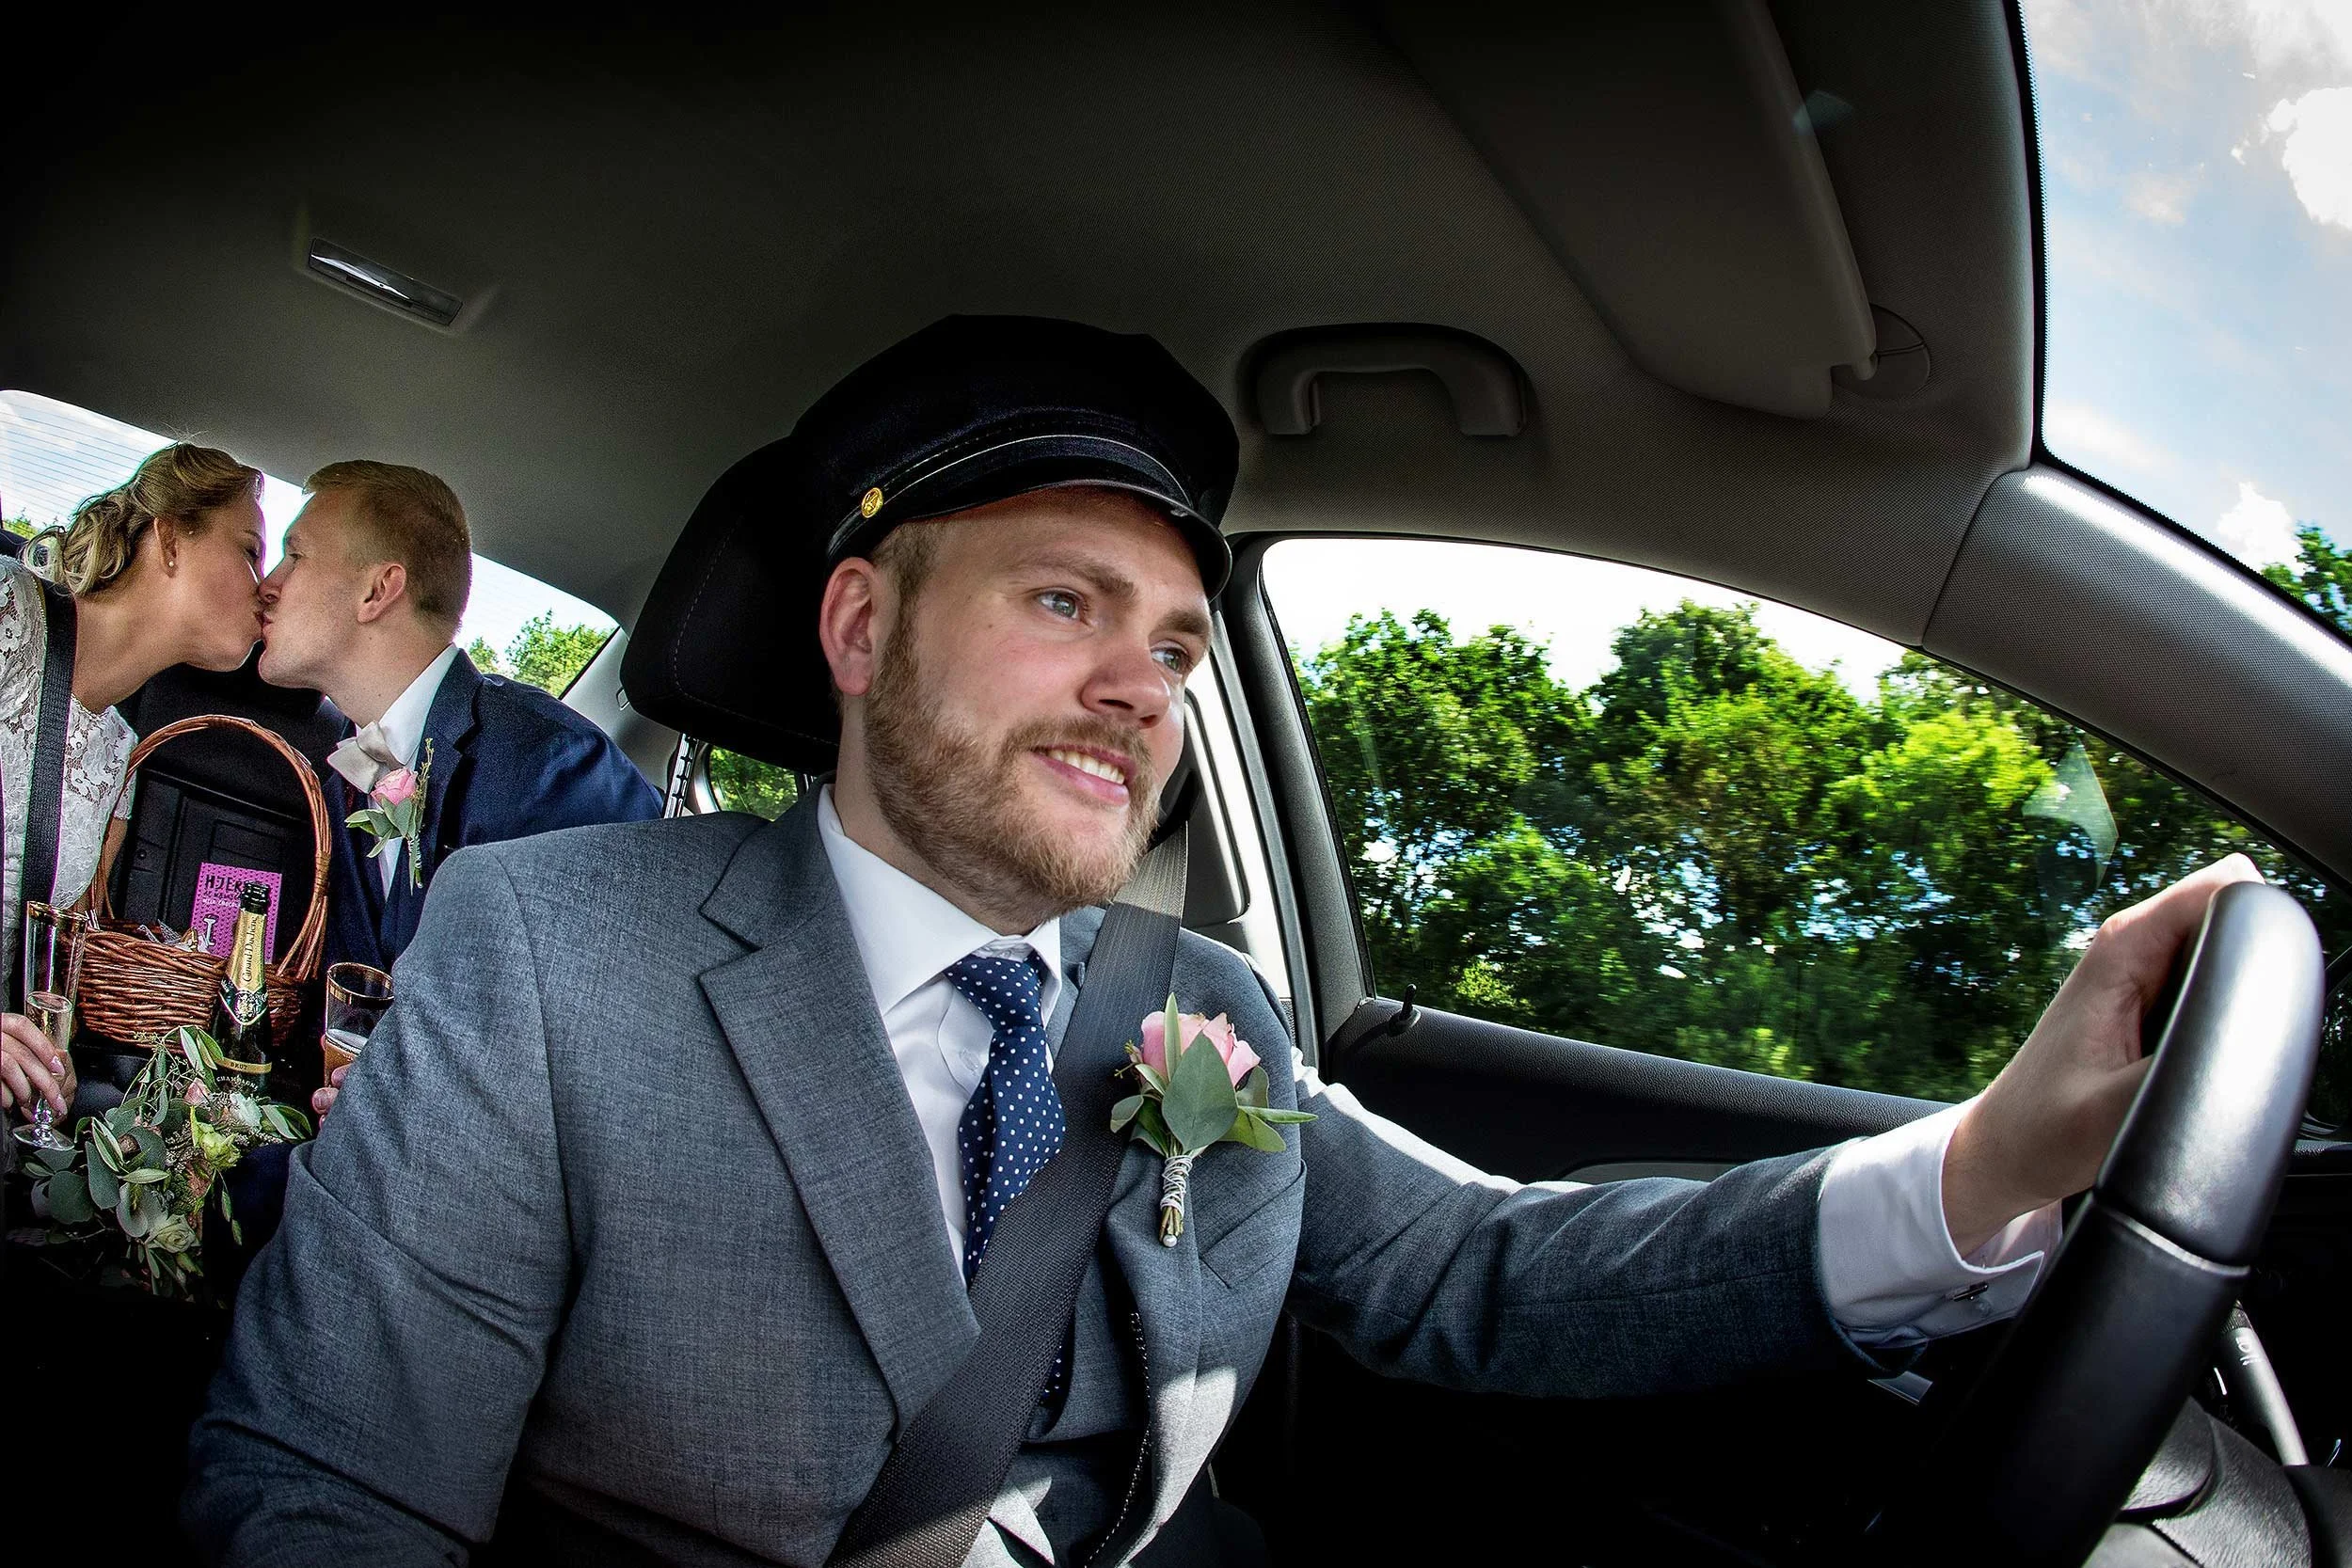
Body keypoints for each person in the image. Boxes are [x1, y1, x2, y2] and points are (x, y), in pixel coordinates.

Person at [183, 318, 2257, 1566]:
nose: (1140, 687)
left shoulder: (1201, 1008)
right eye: (1062, 603)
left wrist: (1985, 1160)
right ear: (860, 626)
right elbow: (334, 1492)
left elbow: (1481, 1271)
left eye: (1174, 644)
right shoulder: (552, 951)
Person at [249, 460, 661, 1121]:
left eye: (293, 556)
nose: (267, 585)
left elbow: (615, 1034)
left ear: (377, 590)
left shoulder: (551, 766)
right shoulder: (341, 778)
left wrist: (431, 1102)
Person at [1, 444, 266, 1127]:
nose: (267, 588)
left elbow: (53, 955)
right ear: (171, 539)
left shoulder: (120, 756)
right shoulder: (8, 613)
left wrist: (48, 1063)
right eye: (250, 551)